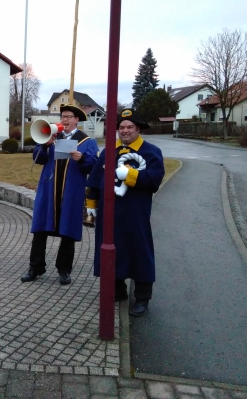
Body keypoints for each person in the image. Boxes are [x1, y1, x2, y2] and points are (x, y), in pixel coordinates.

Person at [86, 108, 164, 317]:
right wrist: (91, 205)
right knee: (111, 251)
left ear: (138, 129)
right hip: (108, 213)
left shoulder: (151, 152)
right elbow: (95, 180)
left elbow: (154, 180)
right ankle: (117, 290)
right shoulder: (109, 151)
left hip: (135, 213)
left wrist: (130, 175)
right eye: (122, 127)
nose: (125, 131)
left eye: (130, 127)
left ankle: (142, 297)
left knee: (139, 252)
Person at [20, 104, 99, 285]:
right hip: (49, 190)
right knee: (40, 229)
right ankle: (35, 267)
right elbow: (38, 159)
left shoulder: (87, 141)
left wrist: (83, 158)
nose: (65, 119)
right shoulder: (51, 137)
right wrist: (45, 146)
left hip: (71, 192)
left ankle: (64, 270)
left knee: (68, 231)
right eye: (63, 116)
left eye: (69, 116)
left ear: (77, 120)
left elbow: (93, 166)